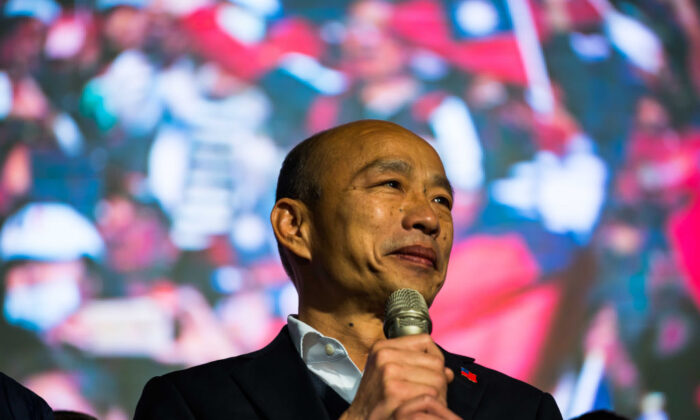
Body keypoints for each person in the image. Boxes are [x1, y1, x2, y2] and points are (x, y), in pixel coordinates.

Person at [134, 119, 563, 419]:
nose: (428, 219)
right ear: (295, 226)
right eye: (391, 184)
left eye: (441, 200)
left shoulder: (521, 408)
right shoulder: (192, 405)